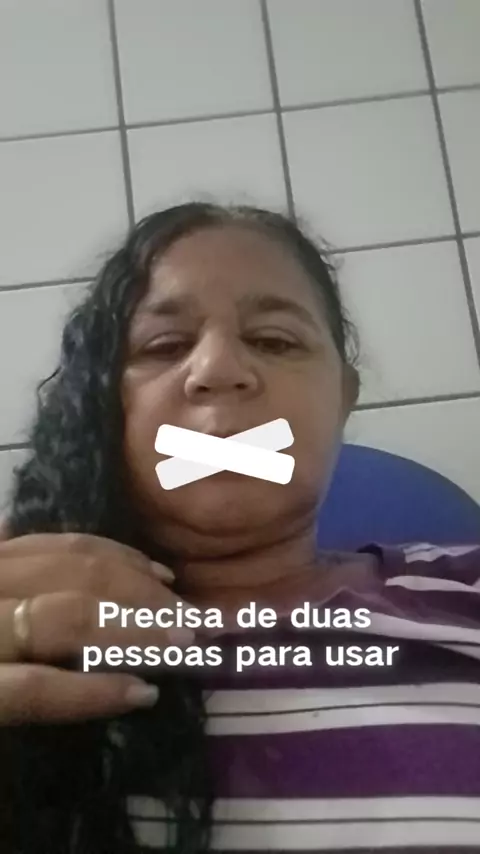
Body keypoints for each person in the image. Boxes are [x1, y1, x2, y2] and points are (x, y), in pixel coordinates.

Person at [0, 202, 479, 854]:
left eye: (275, 341)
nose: (219, 369)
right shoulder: (29, 626)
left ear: (343, 397)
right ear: (102, 405)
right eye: (164, 346)